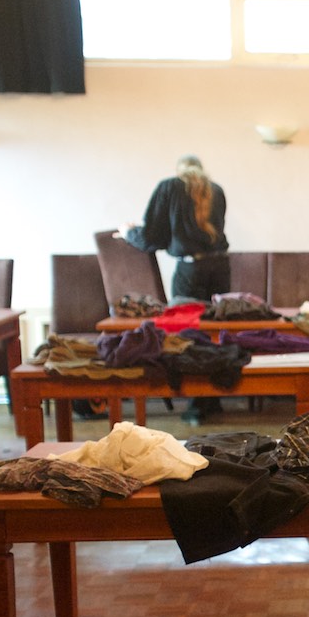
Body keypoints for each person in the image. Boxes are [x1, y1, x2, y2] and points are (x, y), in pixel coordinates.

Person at [124, 154, 230, 422]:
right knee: (215, 332)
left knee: (188, 333)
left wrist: (128, 233)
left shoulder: (170, 187)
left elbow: (153, 237)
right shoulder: (216, 191)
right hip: (221, 267)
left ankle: (196, 405)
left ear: (180, 171)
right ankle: (212, 398)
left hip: (189, 271)